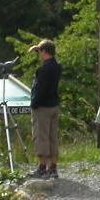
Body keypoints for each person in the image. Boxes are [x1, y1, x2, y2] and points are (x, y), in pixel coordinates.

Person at [28, 39, 63, 179]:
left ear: (44, 52)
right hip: (54, 105)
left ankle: (42, 167)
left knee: (41, 136)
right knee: (53, 136)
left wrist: (34, 103)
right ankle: (53, 167)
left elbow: (41, 89)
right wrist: (37, 48)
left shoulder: (44, 69)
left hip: (42, 107)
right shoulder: (57, 66)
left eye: (40, 52)